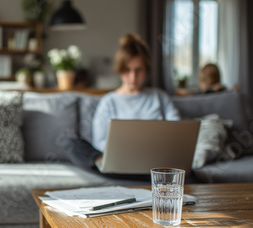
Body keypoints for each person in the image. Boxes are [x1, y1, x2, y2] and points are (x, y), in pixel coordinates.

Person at [64, 33, 180, 171]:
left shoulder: (160, 97)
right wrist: (121, 152)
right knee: (72, 145)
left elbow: (177, 133)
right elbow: (99, 142)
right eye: (127, 70)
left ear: (146, 70)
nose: (133, 76)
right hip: (119, 163)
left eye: (138, 70)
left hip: (155, 163)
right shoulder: (109, 101)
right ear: (120, 70)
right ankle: (109, 167)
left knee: (181, 172)